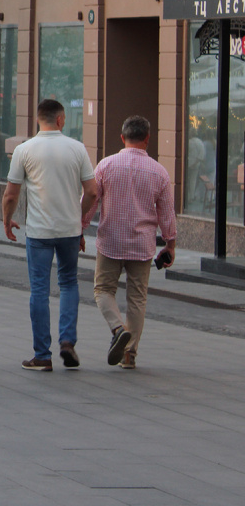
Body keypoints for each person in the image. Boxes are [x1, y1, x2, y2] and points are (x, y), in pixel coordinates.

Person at [3, 99, 98, 372]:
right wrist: (79, 218)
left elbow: (11, 194)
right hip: (69, 230)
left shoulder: (24, 150)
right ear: (60, 119)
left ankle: (42, 355)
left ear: (38, 119)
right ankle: (67, 341)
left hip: (39, 231)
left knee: (39, 290)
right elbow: (92, 192)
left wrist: (7, 220)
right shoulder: (77, 148)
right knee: (68, 283)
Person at [82, 115, 177, 370]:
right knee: (137, 298)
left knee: (103, 290)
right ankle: (129, 354)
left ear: (122, 138)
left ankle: (117, 328)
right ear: (148, 139)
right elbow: (167, 213)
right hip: (141, 245)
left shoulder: (106, 165)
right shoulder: (159, 172)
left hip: (110, 241)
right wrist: (170, 244)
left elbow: (91, 200)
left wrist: (80, 229)